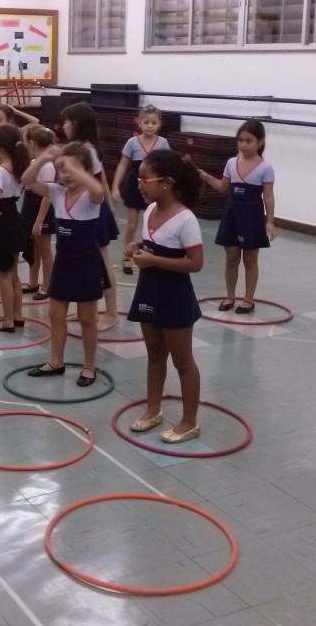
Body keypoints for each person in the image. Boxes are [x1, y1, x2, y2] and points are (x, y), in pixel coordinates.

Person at [125, 150, 204, 443]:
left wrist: (153, 260)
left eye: (145, 179)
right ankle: (153, 409)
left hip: (174, 294)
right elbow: (153, 244)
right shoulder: (149, 211)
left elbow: (195, 263)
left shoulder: (186, 219)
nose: (140, 184)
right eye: (139, 178)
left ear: (167, 183)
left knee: (183, 361)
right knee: (155, 355)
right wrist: (136, 246)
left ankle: (189, 422)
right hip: (149, 290)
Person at [22, 142, 104, 386]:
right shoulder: (57, 192)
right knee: (55, 314)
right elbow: (27, 180)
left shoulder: (90, 196)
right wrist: (44, 159)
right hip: (64, 262)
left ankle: (89, 366)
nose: (66, 174)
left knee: (87, 318)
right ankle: (56, 361)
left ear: (85, 171)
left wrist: (74, 167)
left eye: (73, 169)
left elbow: (98, 189)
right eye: (62, 170)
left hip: (86, 262)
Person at [199, 119, 276, 314]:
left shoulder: (265, 168)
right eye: (240, 140)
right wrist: (206, 176)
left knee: (250, 259)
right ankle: (230, 296)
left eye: (248, 141)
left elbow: (268, 196)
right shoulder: (231, 163)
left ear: (259, 142)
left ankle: (249, 298)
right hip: (231, 214)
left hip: (252, 216)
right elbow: (223, 187)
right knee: (231, 257)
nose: (243, 145)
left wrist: (270, 221)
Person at [61, 102, 120, 331]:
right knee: (84, 261)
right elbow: (101, 176)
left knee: (101, 262)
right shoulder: (80, 148)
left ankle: (112, 312)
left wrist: (108, 207)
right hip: (83, 210)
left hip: (93, 211)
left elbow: (97, 180)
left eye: (66, 121)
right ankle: (88, 310)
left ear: (75, 124)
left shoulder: (88, 150)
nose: (63, 126)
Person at [0, 124, 32, 331]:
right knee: (14, 275)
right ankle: (17, 315)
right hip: (15, 221)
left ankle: (8, 320)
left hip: (2, 224)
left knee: (3, 276)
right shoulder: (19, 167)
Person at [112, 105, 171, 274]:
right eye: (146, 122)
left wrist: (169, 187)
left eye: (153, 122)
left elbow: (169, 165)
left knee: (153, 224)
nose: (150, 126)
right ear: (139, 123)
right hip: (135, 185)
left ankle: (152, 254)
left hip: (156, 186)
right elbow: (123, 165)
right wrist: (115, 186)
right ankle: (127, 257)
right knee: (131, 225)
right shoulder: (132, 142)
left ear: (159, 124)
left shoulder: (163, 143)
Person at [21, 125, 57, 299]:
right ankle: (33, 282)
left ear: (32, 143)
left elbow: (47, 195)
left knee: (44, 251)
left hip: (41, 211)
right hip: (29, 208)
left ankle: (47, 286)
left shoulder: (47, 165)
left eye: (26, 143)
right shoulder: (34, 162)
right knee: (32, 248)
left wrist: (39, 220)